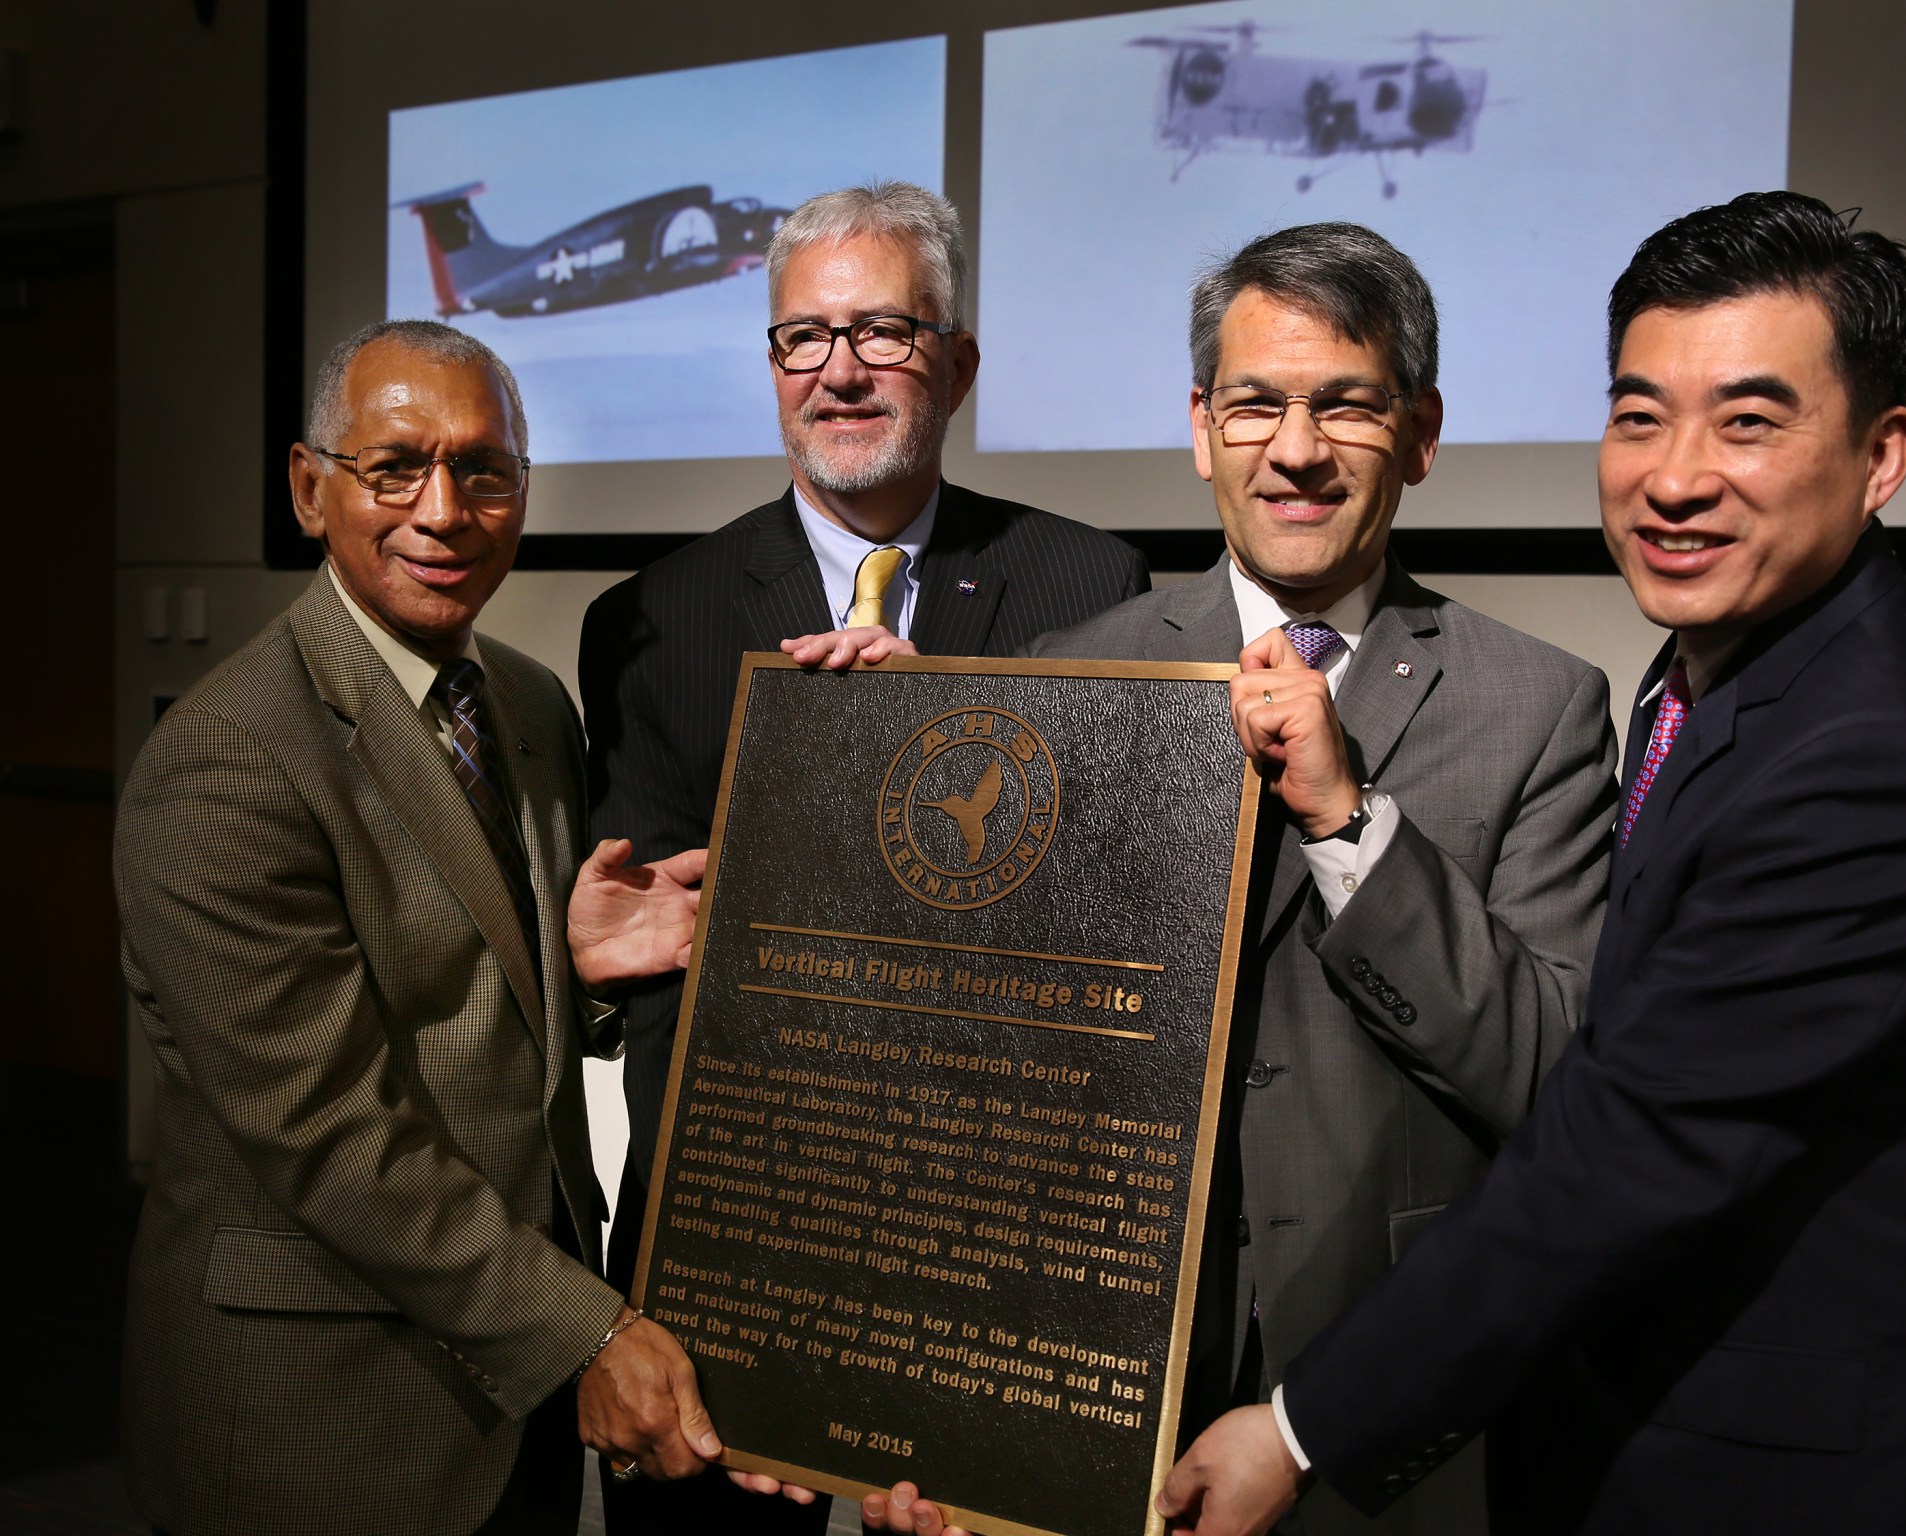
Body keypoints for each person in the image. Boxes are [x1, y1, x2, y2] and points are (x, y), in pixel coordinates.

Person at [1160, 192, 1906, 1536]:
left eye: (1748, 422)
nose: (1675, 475)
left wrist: (1302, 1425)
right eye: (1640, 415)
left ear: (1884, 454)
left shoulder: (1879, 759)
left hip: (1806, 1478)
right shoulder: (1724, 669)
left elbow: (1624, 1145)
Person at [114, 320, 777, 1536]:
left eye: (485, 472)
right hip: (320, 1411)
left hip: (505, 1399)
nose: (444, 510)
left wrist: (575, 972)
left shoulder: (523, 699)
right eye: (394, 467)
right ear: (311, 490)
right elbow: (327, 1131)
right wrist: (592, 1330)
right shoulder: (224, 760)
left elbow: (470, 1008)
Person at [1019, 221, 1619, 1536]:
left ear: (1420, 433)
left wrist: (1352, 824)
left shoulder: (1544, 707)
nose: (1296, 450)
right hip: (1100, 1386)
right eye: (1257, 405)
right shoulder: (1075, 674)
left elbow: (1555, 1075)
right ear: (1200, 428)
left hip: (1382, 1412)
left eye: (1347, 404)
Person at [577, 180, 1149, 1535]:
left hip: (1000, 1260)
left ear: (957, 363)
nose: (839, 371)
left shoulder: (1095, 585)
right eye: (802, 338)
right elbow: (651, 960)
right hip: (734, 1243)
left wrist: (932, 722)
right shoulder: (652, 619)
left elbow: (1115, 923)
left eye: (884, 332)